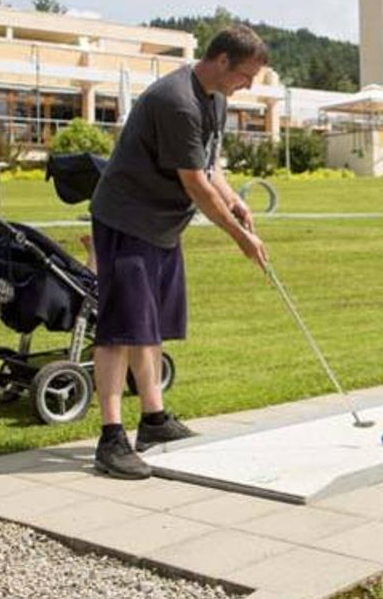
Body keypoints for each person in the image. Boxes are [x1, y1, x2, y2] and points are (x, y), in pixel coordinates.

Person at [88, 24, 270, 478]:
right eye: (245, 76)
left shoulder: (215, 99)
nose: (246, 87)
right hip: (127, 221)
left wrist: (235, 199)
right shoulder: (177, 101)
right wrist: (239, 237)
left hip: (161, 227)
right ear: (222, 60)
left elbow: (210, 166)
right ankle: (111, 439)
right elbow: (194, 184)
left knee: (149, 327)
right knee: (119, 329)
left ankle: (154, 420)